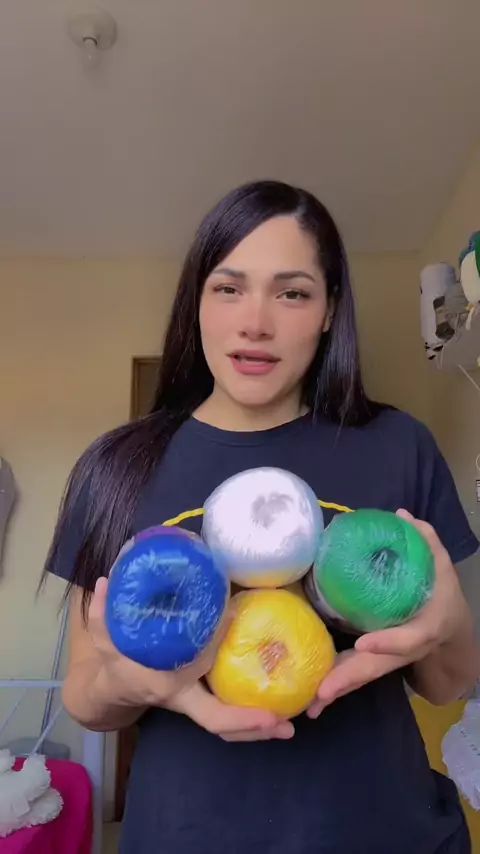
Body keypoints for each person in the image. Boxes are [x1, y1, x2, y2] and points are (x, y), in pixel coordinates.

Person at [41, 180, 480, 854]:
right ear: (196, 302)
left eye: (292, 293)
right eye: (228, 287)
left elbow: (449, 683)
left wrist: (447, 626)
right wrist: (128, 681)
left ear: (330, 310)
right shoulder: (117, 465)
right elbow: (84, 698)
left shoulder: (398, 446)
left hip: (388, 833)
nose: (255, 323)